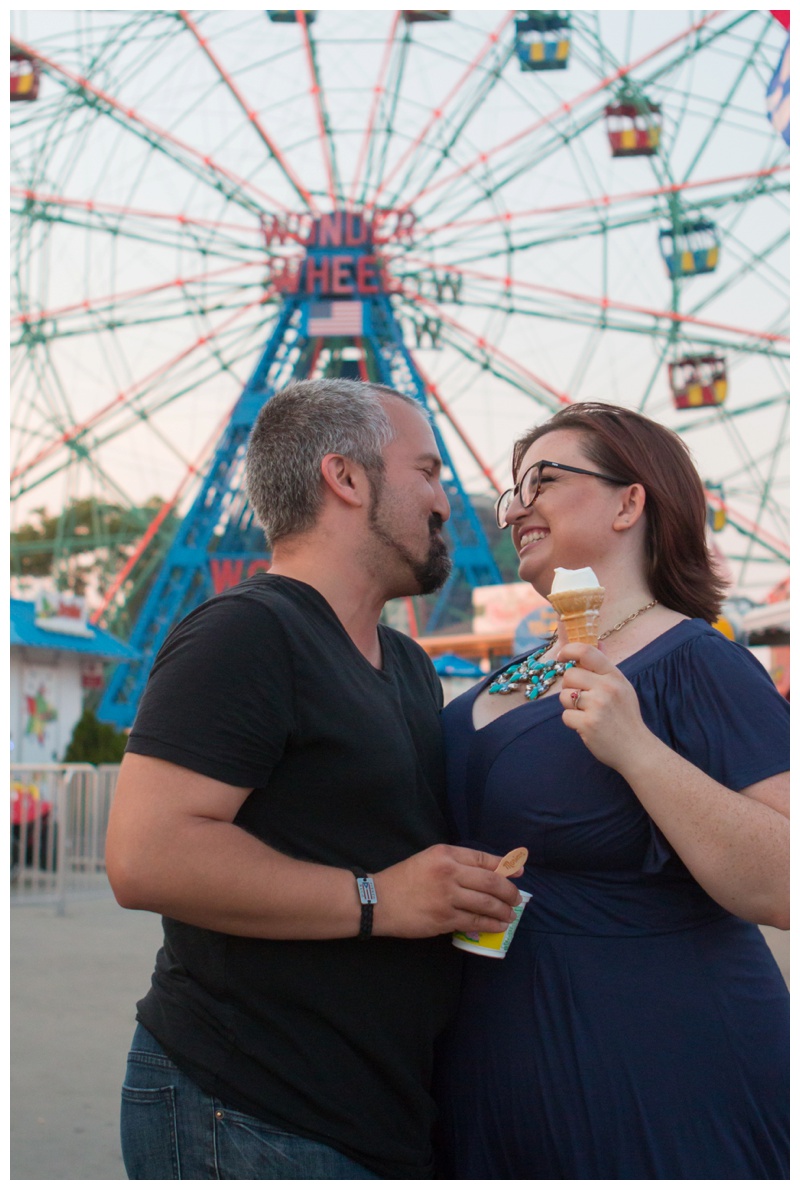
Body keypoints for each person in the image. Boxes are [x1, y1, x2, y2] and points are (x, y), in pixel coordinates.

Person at [105, 378, 522, 1181]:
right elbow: (146, 855)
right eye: (428, 472)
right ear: (347, 478)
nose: (447, 501)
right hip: (250, 1108)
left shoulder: (401, 661)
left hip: (375, 1109)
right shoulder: (245, 633)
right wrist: (382, 898)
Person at [434, 401, 789, 1180]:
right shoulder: (506, 678)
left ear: (631, 501)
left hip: (661, 1076)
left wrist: (637, 752)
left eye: (545, 479)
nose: (518, 504)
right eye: (512, 490)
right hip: (495, 1072)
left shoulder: (698, 660)